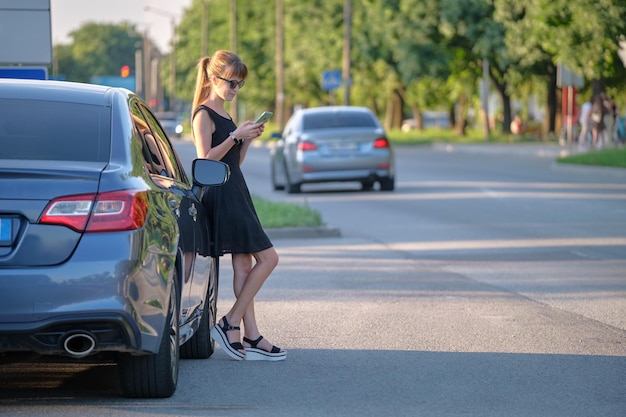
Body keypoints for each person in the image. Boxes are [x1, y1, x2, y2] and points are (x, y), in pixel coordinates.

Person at [190, 50, 286, 361]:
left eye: (239, 85)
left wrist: (247, 139)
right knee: (269, 259)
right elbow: (204, 160)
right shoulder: (202, 114)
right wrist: (234, 135)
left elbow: (235, 162)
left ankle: (251, 334)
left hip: (235, 188)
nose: (234, 90)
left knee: (244, 264)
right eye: (231, 83)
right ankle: (230, 321)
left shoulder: (227, 116)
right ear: (212, 79)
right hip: (221, 192)